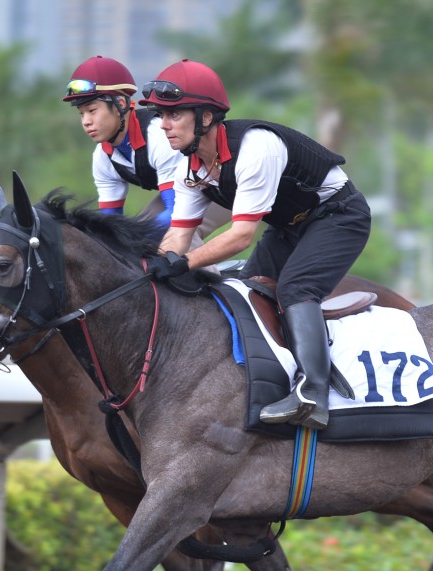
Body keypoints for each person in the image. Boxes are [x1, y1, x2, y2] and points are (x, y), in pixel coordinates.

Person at [141, 59, 372, 431]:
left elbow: (239, 236)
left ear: (206, 118)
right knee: (248, 293)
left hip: (339, 217)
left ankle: (315, 394)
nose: (163, 125)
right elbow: (179, 235)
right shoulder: (189, 168)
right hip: (288, 227)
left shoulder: (255, 148)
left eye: (174, 115)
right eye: (159, 116)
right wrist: (156, 266)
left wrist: (183, 264)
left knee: (297, 288)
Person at [62, 55, 230, 238]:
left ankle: (205, 268)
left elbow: (176, 212)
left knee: (177, 234)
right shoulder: (103, 157)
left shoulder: (158, 135)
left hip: (224, 187)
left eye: (92, 111)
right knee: (135, 238)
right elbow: (109, 222)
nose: (86, 122)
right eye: (81, 114)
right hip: (186, 191)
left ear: (120, 104)